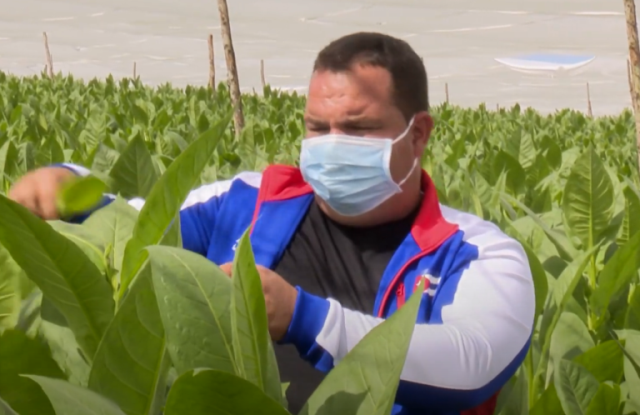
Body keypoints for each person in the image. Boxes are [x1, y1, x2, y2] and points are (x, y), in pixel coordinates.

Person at [9, 32, 535, 415]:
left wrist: (302, 318)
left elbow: (473, 362)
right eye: (316, 127)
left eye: (357, 129)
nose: (331, 144)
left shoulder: (477, 254)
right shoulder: (250, 201)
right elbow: (134, 226)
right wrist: (66, 184)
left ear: (418, 135)